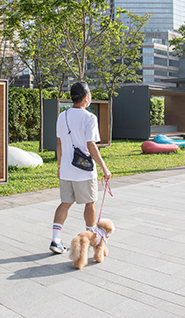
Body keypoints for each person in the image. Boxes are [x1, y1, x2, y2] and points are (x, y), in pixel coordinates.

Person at [50, 81, 112, 254]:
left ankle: (55, 240)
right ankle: (90, 237)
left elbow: (59, 142)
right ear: (86, 98)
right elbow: (91, 146)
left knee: (65, 203)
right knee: (90, 203)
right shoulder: (90, 118)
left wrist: (60, 165)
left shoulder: (62, 116)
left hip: (67, 170)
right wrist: (104, 168)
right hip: (84, 171)